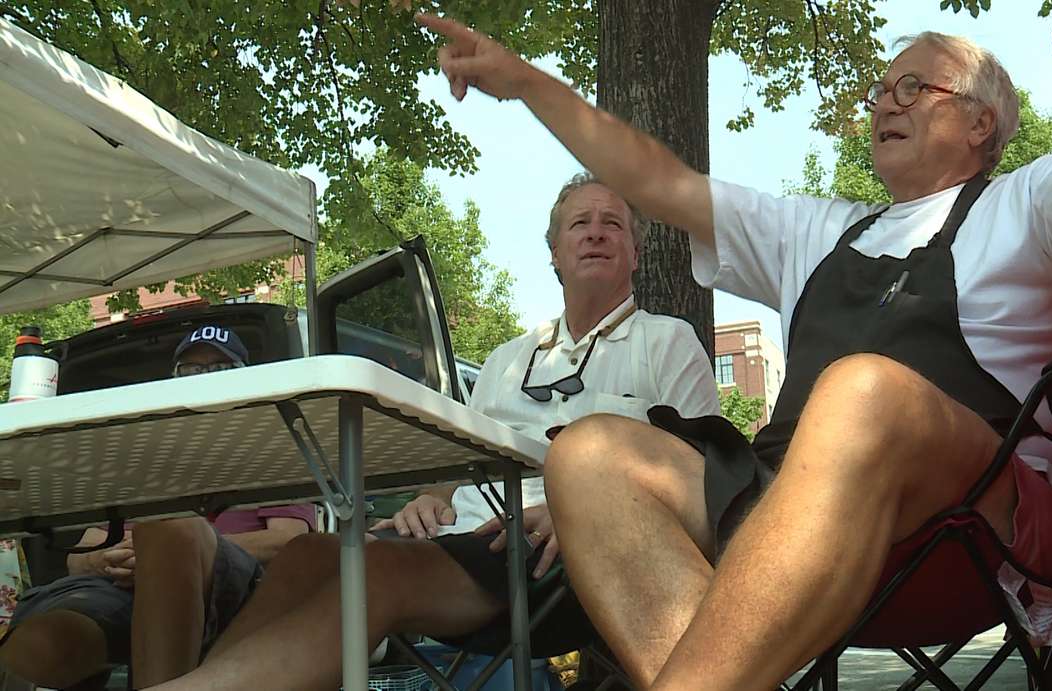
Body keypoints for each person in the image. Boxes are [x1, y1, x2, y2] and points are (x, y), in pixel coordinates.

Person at [413, 1, 1052, 689]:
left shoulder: (1026, 201)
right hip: (782, 513)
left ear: (981, 122)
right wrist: (530, 82)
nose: (883, 106)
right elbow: (658, 181)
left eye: (912, 88)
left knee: (862, 388)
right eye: (878, 93)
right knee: (587, 453)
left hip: (974, 520)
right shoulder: (814, 232)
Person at [150, 174, 720, 690]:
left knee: (374, 569)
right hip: (463, 541)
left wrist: (589, 508)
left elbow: (700, 476)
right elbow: (462, 457)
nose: (596, 234)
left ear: (636, 254)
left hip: (562, 562)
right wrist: (432, 495)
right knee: (310, 554)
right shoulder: (508, 358)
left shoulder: (668, 342)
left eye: (612, 224)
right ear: (554, 253)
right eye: (580, 224)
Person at [0, 326, 315, 689]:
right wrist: (99, 560)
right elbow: (79, 554)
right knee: (43, 643)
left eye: (220, 369)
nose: (204, 380)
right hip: (122, 591)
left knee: (167, 528)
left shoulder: (269, 446)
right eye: (192, 370)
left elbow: (289, 541)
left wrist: (160, 553)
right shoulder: (143, 457)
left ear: (245, 375)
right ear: (174, 379)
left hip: (229, 591)